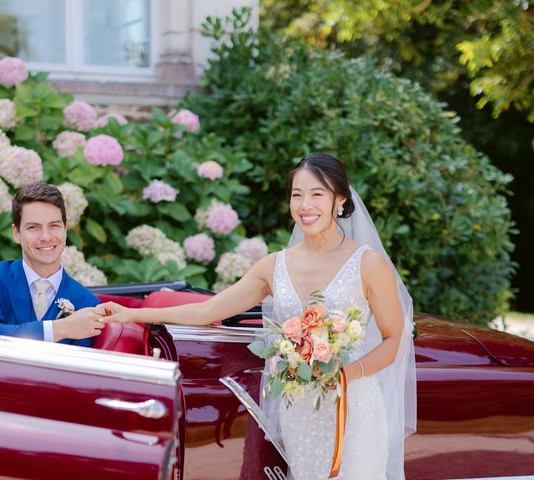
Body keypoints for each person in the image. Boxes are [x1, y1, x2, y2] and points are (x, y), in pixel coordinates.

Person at [96, 153, 416, 479]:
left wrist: (348, 373)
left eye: (317, 194)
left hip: (353, 404)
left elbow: (395, 338)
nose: (305, 205)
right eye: (297, 194)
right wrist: (131, 314)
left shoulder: (367, 263)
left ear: (340, 201)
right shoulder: (273, 266)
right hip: (300, 409)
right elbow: (207, 310)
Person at [0, 182, 105, 347]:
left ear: (65, 229)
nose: (45, 237)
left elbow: (77, 370)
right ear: (16, 233)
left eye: (54, 226)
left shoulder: (87, 304)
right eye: (33, 227)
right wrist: (60, 329)